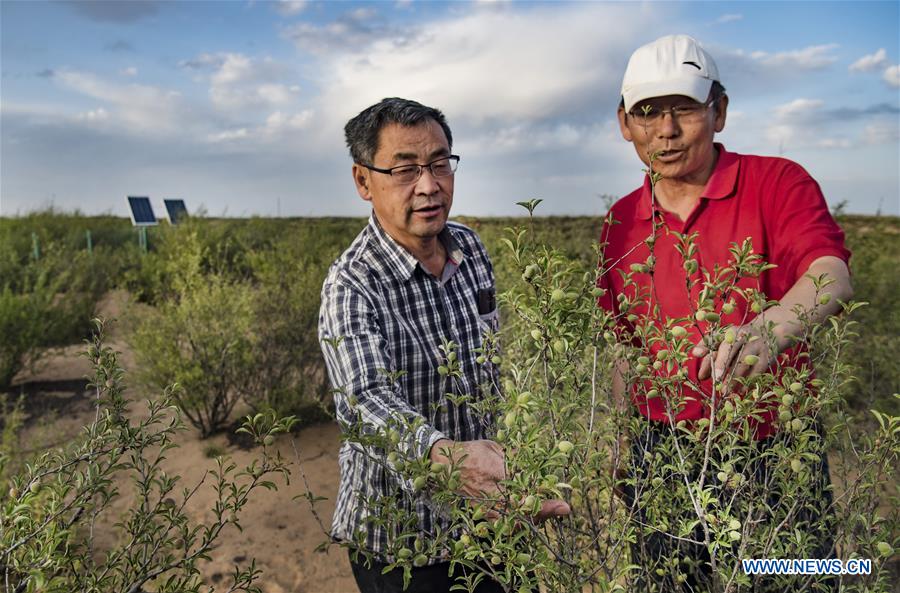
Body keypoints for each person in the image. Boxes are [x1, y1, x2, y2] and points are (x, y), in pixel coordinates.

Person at [598, 35, 852, 591]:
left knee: (797, 578)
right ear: (624, 123)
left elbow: (830, 272)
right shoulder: (621, 219)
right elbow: (624, 344)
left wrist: (769, 329)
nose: (665, 130)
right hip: (659, 447)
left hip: (775, 444)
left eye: (683, 109)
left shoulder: (777, 182)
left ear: (719, 111)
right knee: (668, 583)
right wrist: (620, 441)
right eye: (646, 112)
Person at [319, 97, 568, 593]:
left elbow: (491, 364)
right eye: (405, 169)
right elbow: (362, 400)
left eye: (439, 164)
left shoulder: (469, 248)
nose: (429, 185)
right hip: (405, 543)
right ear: (363, 181)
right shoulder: (351, 284)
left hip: (493, 519)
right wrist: (448, 461)